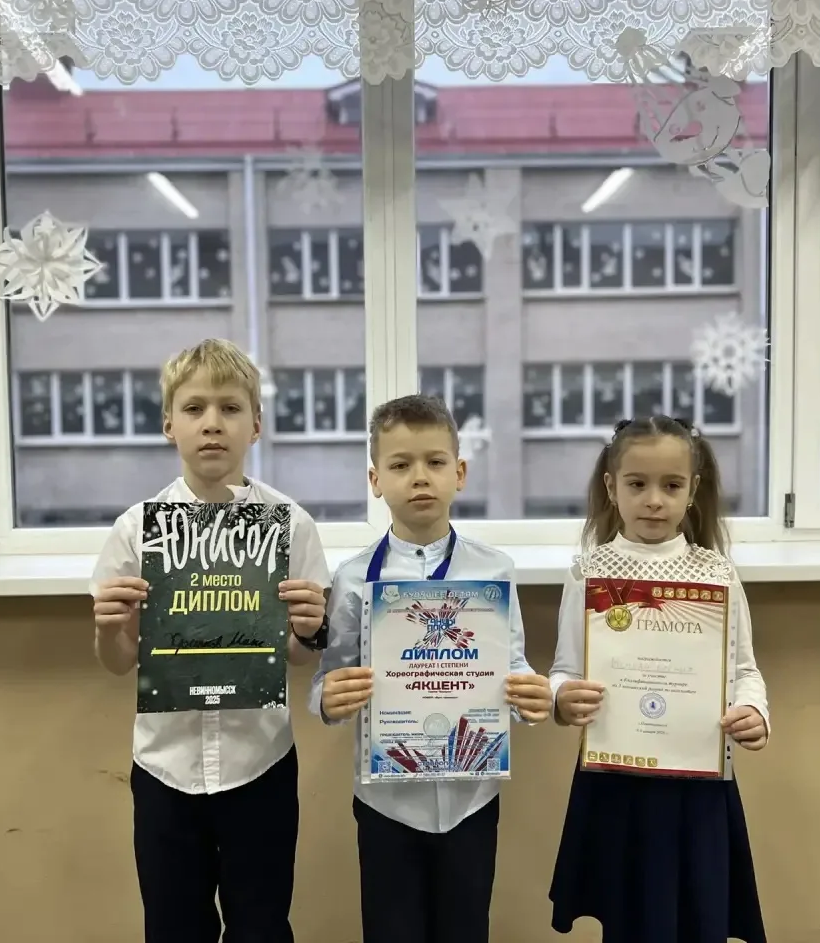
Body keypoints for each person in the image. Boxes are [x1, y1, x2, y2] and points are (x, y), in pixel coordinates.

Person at [90, 338, 331, 943]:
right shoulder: (137, 531)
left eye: (230, 408)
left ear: (257, 424)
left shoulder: (290, 526)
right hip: (165, 767)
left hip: (260, 762)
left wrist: (308, 631)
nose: (212, 424)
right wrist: (110, 629)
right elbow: (119, 663)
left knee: (262, 927)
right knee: (174, 927)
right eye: (194, 408)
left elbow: (298, 655)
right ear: (169, 424)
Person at [310, 393, 554, 943]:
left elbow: (513, 665)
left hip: (472, 801)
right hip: (385, 803)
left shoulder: (494, 572)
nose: (420, 477)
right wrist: (326, 699)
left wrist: (531, 698)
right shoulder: (354, 578)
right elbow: (329, 675)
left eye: (435, 462)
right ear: (375, 480)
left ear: (459, 473)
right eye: (400, 465)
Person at [548, 414, 769, 943]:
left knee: (699, 918)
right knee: (628, 918)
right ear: (611, 487)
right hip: (617, 781)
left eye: (671, 486)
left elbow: (744, 669)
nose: (653, 500)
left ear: (693, 489)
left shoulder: (716, 574)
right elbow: (564, 669)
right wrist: (561, 699)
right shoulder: (589, 573)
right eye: (637, 484)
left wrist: (754, 712)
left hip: (697, 782)